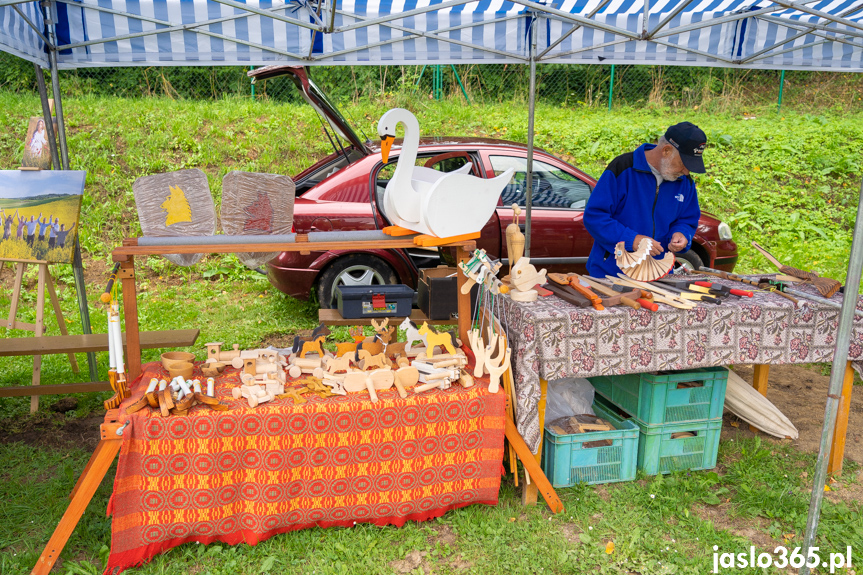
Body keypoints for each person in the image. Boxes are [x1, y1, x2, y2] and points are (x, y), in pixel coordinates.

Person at [583, 122, 706, 278]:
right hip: (611, 275)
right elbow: (595, 216)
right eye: (684, 164)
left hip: (658, 275)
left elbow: (687, 220)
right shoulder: (623, 168)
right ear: (666, 151)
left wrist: (681, 233)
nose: (686, 171)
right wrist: (631, 240)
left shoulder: (685, 182)